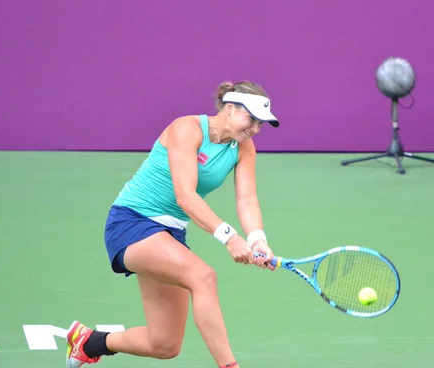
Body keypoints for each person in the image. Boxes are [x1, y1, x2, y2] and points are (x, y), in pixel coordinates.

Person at [65, 81, 280, 368]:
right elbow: (185, 197)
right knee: (204, 277)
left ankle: (89, 342)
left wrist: (256, 239)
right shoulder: (186, 129)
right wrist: (230, 237)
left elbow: (247, 200)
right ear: (229, 109)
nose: (254, 128)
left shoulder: (243, 148)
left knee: (164, 344)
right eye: (250, 118)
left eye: (260, 123)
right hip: (132, 221)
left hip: (169, 233)